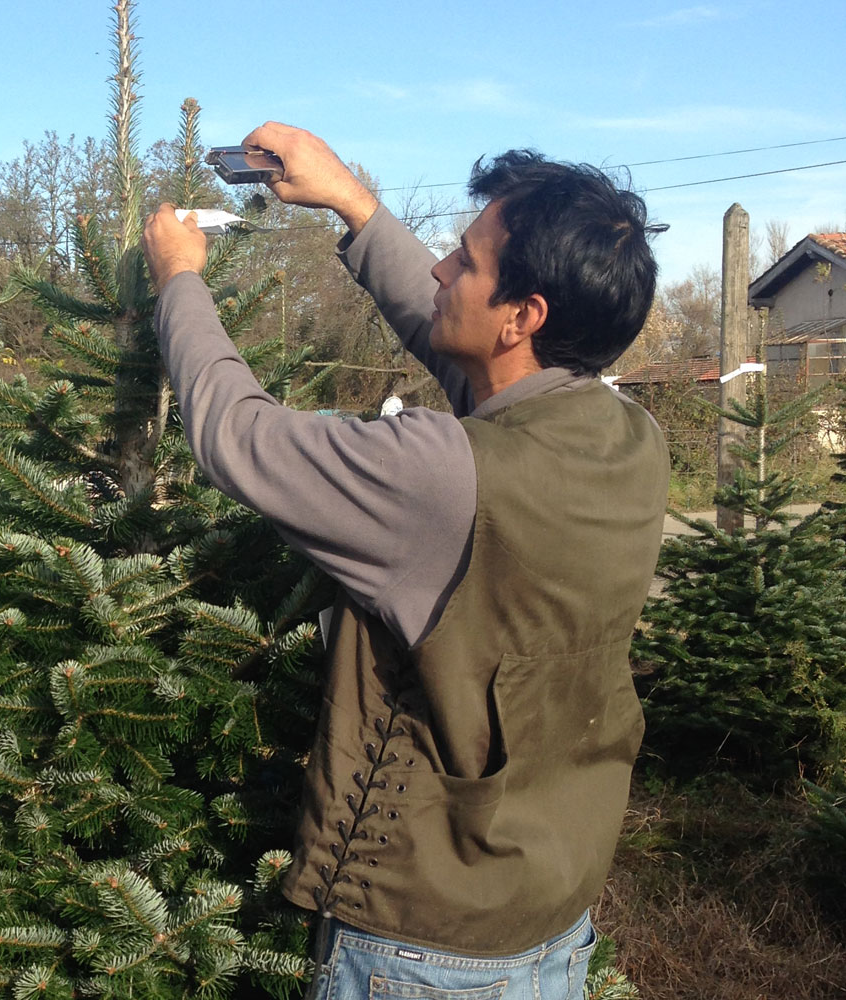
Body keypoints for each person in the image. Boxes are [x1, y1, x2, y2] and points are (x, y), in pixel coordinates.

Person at [141, 122, 670, 1000]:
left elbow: (238, 437)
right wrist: (349, 203)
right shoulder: (624, 436)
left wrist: (179, 280)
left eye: (463, 262)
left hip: (419, 949)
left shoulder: (439, 475)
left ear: (523, 316)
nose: (438, 271)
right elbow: (468, 360)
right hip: (548, 917)